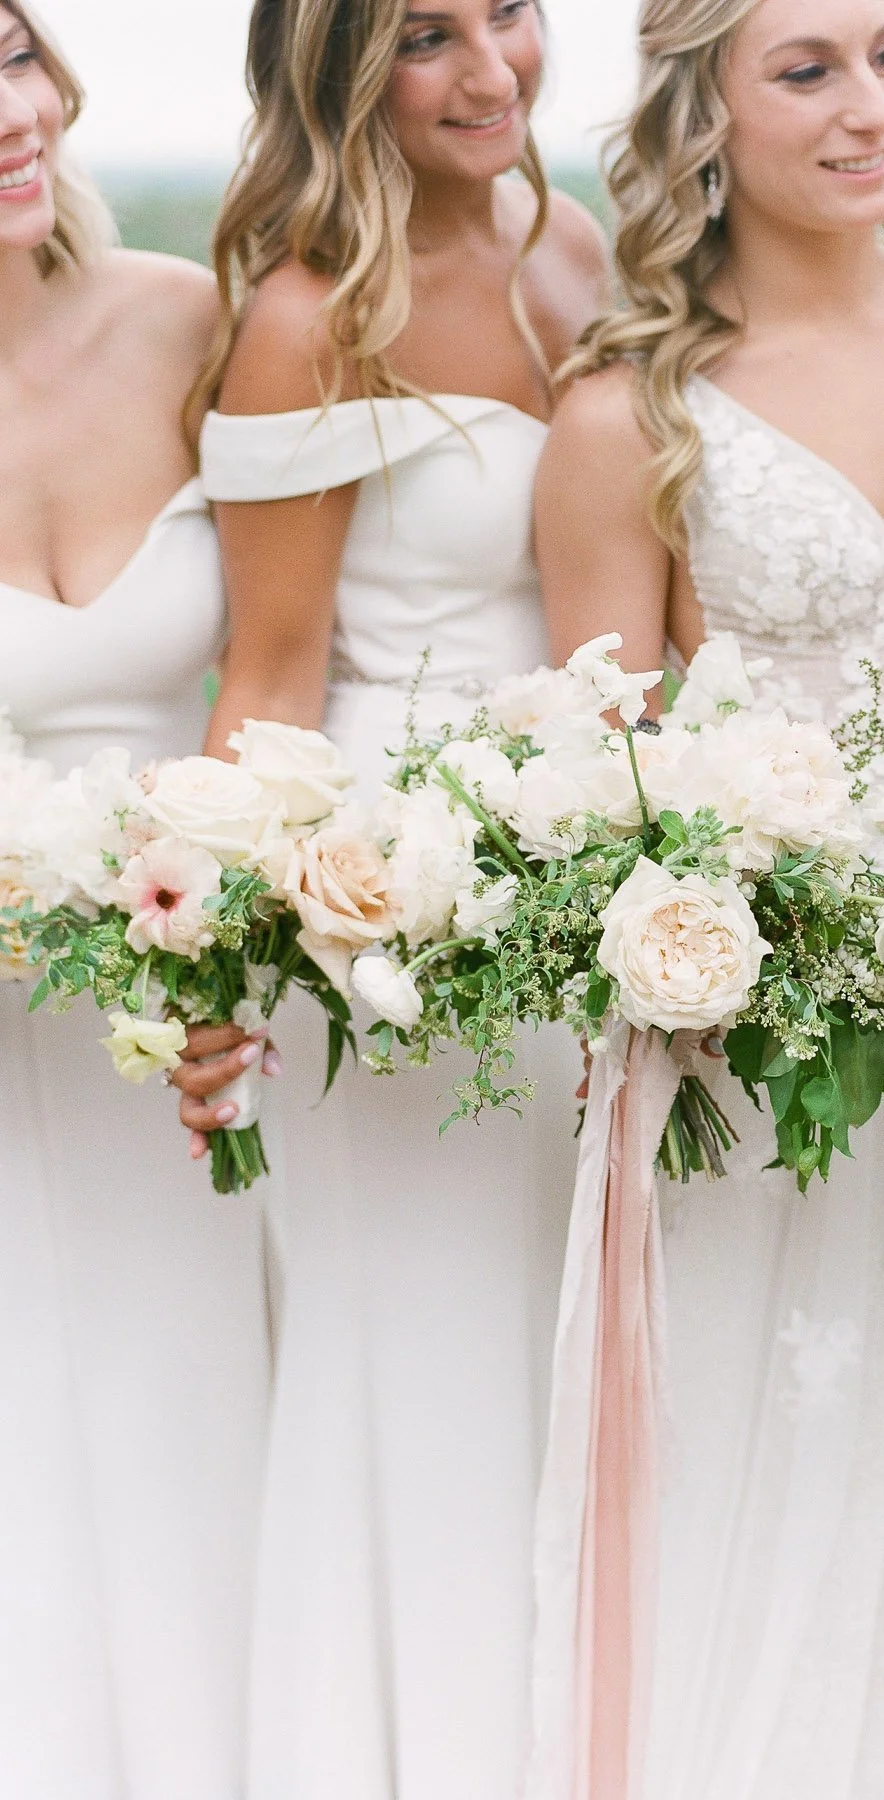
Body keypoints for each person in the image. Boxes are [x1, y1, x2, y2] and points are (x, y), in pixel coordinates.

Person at [531, 0, 884, 1792]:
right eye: (807, 69)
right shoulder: (625, 418)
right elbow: (603, 795)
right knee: (803, 1523)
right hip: (789, 1073)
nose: (870, 108)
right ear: (699, 112)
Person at [178, 2, 609, 1793]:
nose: (492, 69)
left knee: (562, 1383)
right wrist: (209, 966)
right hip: (387, 930)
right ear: (340, 66)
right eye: (426, 35)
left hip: (589, 895)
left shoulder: (569, 247)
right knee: (423, 1386)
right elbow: (268, 675)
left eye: (508, 10)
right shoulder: (308, 318)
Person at [0, 7, 272, 1796]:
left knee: (216, 1448)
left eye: (11, 53)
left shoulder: (190, 322)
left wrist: (229, 921)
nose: (7, 112)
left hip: (209, 1018)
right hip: (14, 1049)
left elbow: (296, 652)